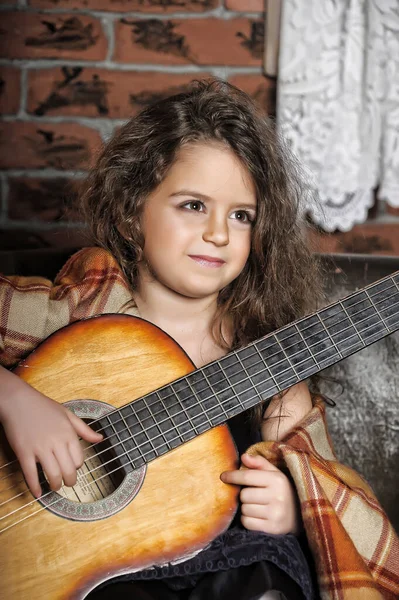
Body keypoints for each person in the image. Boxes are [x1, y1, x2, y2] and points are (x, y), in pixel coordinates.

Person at [1, 80, 397, 600]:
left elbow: (330, 490)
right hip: (88, 578)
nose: (218, 233)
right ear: (131, 210)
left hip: (222, 579)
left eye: (241, 216)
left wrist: (295, 507)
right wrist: (13, 398)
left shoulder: (271, 371)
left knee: (269, 572)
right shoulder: (76, 312)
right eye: (193, 205)